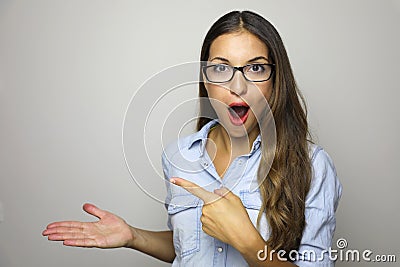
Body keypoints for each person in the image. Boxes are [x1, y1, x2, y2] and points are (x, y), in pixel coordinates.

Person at [42, 10, 342, 267]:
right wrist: (133, 236)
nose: (237, 86)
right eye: (221, 68)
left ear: (276, 81)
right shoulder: (178, 155)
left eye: (255, 68)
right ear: (206, 79)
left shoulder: (313, 165)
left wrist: (248, 242)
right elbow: (190, 246)